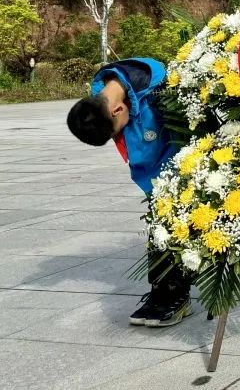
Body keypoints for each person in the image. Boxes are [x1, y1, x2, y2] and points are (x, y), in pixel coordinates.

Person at [66, 58, 191, 327]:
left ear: (118, 109)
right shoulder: (103, 95)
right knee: (159, 231)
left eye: (116, 130)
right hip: (155, 178)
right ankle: (162, 292)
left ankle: (175, 296)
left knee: (172, 228)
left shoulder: (163, 88)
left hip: (183, 171)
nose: (117, 136)